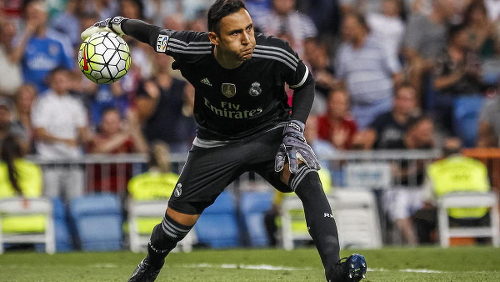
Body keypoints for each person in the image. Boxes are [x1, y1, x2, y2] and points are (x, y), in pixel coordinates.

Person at [81, 1, 367, 281]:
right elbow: (149, 33)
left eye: (250, 29)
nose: (247, 39)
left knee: (307, 176)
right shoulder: (190, 47)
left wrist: (295, 128)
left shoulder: (274, 52)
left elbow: (305, 83)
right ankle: (151, 264)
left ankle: (334, 271)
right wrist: (114, 23)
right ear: (214, 38)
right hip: (215, 143)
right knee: (174, 227)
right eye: (235, 33)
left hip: (269, 134)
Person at [414, 137, 491, 244]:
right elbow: (487, 193)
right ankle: (484, 246)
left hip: (450, 216)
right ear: (462, 151)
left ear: (443, 153)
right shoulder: (478, 166)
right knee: (490, 216)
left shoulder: (435, 169)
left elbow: (427, 199)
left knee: (421, 216)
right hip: (479, 216)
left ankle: (427, 249)